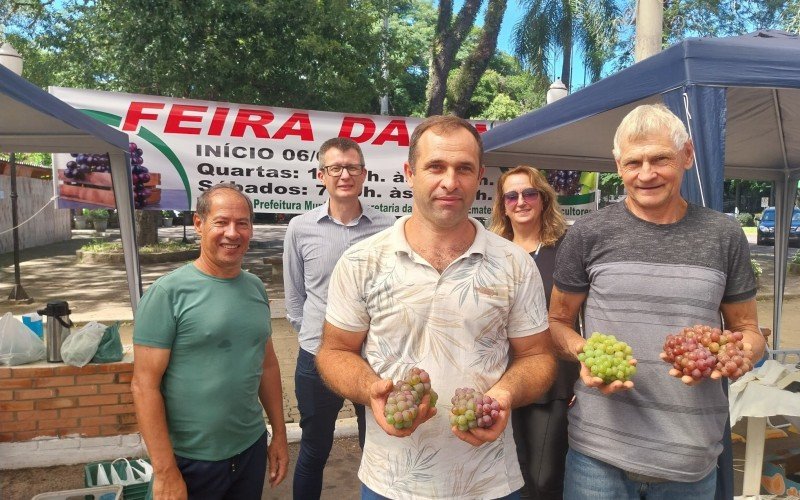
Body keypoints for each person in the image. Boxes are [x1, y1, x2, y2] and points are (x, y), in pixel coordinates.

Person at [316, 115, 557, 499]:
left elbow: (539, 357)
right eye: (436, 167)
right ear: (410, 173)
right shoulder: (362, 261)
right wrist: (370, 389)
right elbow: (334, 350)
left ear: (479, 177)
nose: (450, 182)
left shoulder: (514, 263)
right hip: (390, 482)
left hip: (490, 481)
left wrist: (506, 394)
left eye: (463, 168)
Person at [548, 104, 766, 499]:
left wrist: (740, 353)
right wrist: (585, 353)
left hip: (691, 457)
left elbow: (747, 329)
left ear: (687, 155)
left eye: (660, 158)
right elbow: (558, 322)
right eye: (634, 162)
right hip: (598, 455)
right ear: (618, 165)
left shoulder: (724, 234)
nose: (646, 174)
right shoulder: (588, 233)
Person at [131, 184, 288, 499]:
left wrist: (279, 436)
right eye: (221, 222)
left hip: (249, 449)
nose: (233, 232)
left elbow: (267, 365)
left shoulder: (256, 288)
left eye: (242, 223)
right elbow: (144, 385)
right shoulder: (168, 293)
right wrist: (165, 471)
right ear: (199, 224)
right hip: (190, 460)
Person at [283, 137, 395, 499]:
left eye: (352, 167)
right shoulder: (300, 227)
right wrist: (317, 341)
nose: (344, 174)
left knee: (376, 448)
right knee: (314, 450)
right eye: (335, 168)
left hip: (373, 360)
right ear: (322, 175)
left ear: (364, 174)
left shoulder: (388, 227)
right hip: (318, 360)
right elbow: (295, 298)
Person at [489, 166, 578, 500]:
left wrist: (579, 374)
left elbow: (579, 315)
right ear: (502, 204)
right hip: (497, 377)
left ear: (543, 198)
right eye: (511, 195)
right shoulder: (491, 252)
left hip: (551, 378)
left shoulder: (568, 249)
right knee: (510, 473)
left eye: (529, 193)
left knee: (544, 478)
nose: (520, 201)